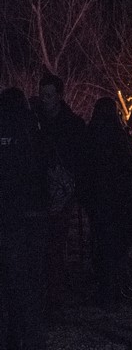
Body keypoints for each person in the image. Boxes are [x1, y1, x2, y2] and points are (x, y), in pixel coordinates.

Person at [84, 97, 132, 306]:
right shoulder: (120, 136)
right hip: (121, 200)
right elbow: (130, 167)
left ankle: (109, 288)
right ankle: (117, 286)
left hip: (100, 201)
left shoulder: (90, 136)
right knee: (120, 244)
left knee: (104, 244)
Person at [0, 87, 48, 350]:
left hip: (7, 215)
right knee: (28, 284)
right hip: (28, 216)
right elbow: (39, 168)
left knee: (8, 283)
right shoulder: (32, 128)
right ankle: (29, 339)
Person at [36, 72, 86, 308]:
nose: (45, 99)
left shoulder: (71, 124)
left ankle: (54, 295)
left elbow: (80, 157)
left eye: (49, 95)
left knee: (56, 243)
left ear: (59, 95)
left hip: (62, 191)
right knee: (44, 244)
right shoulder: (33, 122)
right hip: (39, 191)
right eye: (42, 94)